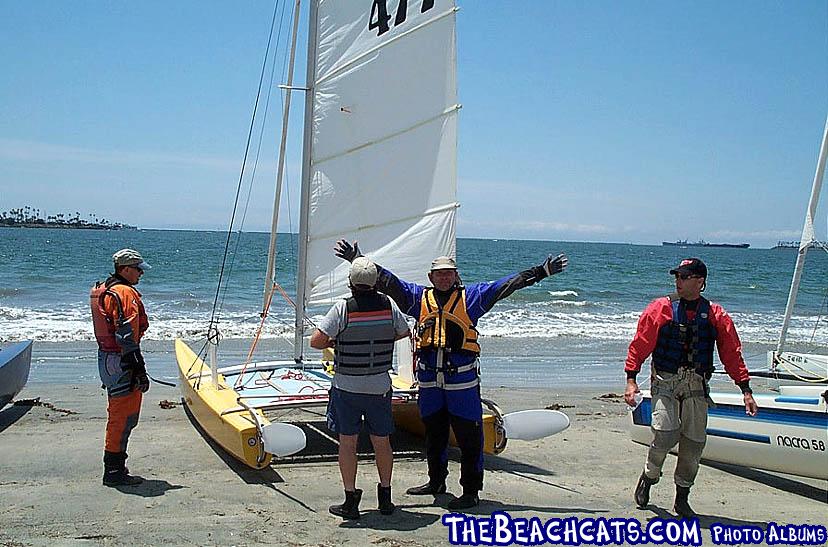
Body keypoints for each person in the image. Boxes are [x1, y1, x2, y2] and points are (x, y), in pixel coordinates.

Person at [334, 239, 568, 510]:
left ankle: (471, 491)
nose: (444, 278)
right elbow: (387, 281)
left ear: (456, 276)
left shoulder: (473, 298)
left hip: (462, 384)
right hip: (431, 383)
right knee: (433, 435)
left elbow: (507, 285)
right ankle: (436, 482)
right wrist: (358, 260)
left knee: (469, 439)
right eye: (439, 274)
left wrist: (541, 271)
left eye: (448, 273)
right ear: (431, 277)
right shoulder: (417, 298)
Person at [624, 257, 758, 517]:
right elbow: (640, 344)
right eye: (677, 276)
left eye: (684, 277)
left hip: (696, 383)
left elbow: (732, 353)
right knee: (664, 433)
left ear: (700, 281)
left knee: (694, 443)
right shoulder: (660, 308)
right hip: (666, 381)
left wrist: (746, 389)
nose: (678, 281)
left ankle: (682, 496)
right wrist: (631, 379)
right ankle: (649, 476)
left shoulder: (716, 315)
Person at [310, 257, 411, 520]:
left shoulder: (343, 307)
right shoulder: (389, 305)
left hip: (347, 388)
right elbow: (403, 332)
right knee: (382, 442)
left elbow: (316, 342)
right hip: (379, 386)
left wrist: (337, 339)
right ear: (376, 282)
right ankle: (386, 498)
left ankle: (350, 501)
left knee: (347, 443)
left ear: (351, 282)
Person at [89, 248, 152, 487]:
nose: (140, 274)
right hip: (120, 360)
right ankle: (114, 471)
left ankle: (116, 467)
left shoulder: (108, 289)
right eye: (138, 269)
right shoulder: (124, 293)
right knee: (123, 417)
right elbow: (126, 336)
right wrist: (138, 368)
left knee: (120, 415)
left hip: (108, 359)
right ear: (125, 269)